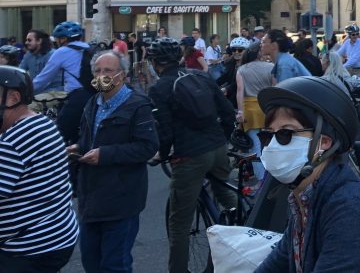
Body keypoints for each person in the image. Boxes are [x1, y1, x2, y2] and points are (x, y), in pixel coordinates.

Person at [253, 76, 360, 272]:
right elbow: (277, 263)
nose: (273, 146)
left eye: (286, 134)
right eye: (268, 135)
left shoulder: (351, 206)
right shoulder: (303, 199)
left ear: (324, 142)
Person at [146, 38, 236, 273]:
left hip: (189, 155)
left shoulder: (159, 88)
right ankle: (245, 226)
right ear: (179, 58)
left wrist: (161, 155)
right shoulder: (201, 76)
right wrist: (222, 138)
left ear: (156, 64)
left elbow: (165, 132)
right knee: (225, 193)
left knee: (179, 222)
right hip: (217, 147)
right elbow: (227, 112)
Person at [70, 51, 158, 273]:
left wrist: (105, 154)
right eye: (98, 71)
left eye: (107, 71)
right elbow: (88, 140)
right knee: (91, 261)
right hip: (90, 199)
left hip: (121, 199)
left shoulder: (138, 105)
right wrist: (78, 148)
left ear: (122, 74)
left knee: (114, 265)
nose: (101, 75)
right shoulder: (93, 102)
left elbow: (147, 147)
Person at [0, 66, 79, 272]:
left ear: (13, 97)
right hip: (57, 234)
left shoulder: (13, 140)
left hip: (28, 247)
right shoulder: (41, 123)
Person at [33, 21, 92, 145]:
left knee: (58, 136)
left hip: (77, 97)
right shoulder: (88, 48)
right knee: (78, 133)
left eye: (57, 39)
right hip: (94, 94)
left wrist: (25, 92)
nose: (56, 42)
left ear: (63, 39)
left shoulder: (62, 52)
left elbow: (43, 79)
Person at [235, 42, 275, 181]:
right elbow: (275, 89)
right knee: (269, 145)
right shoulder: (271, 67)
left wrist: (240, 112)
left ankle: (261, 179)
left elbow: (240, 91)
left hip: (249, 111)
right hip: (267, 108)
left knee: (255, 148)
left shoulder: (242, 69)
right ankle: (273, 176)